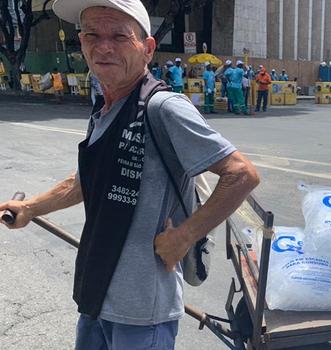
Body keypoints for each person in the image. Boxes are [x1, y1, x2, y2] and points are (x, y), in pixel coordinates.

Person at [0, 2, 260, 349]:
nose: (103, 46)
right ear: (81, 42)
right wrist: (31, 207)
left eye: (120, 36)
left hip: (142, 313)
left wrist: (184, 236)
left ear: (147, 49)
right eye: (92, 34)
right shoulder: (104, 107)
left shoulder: (164, 108)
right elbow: (83, 182)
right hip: (97, 295)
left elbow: (241, 174)